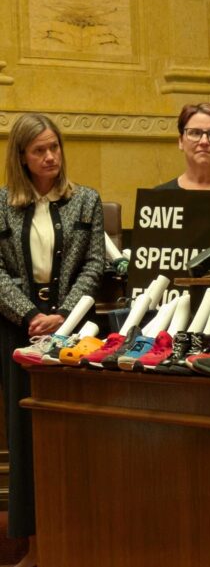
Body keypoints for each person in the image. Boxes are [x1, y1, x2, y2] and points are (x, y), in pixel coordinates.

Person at [0, 113, 105, 567]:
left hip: (73, 325)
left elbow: (94, 264)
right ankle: (35, 547)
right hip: (17, 327)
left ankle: (74, 541)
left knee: (70, 435)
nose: (50, 157)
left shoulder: (86, 201)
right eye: (40, 150)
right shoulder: (2, 203)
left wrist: (63, 313)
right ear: (21, 157)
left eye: (55, 148)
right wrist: (30, 314)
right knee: (25, 437)